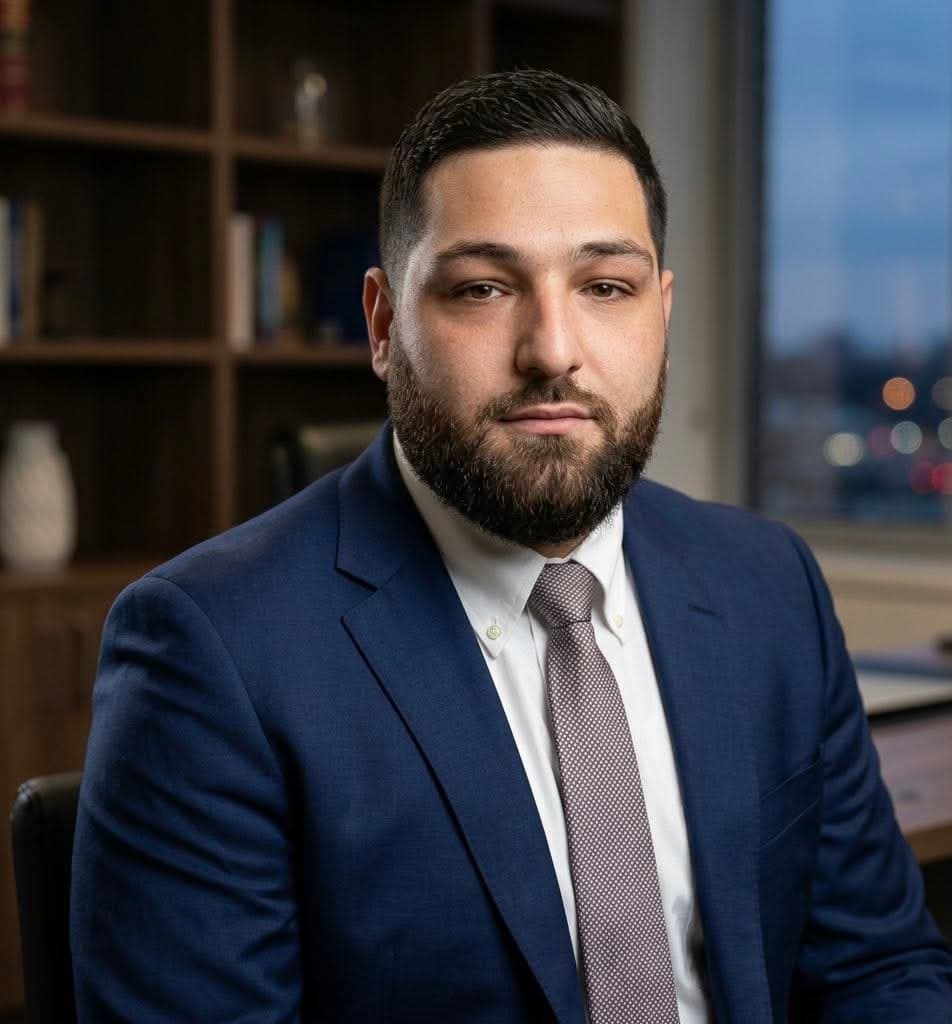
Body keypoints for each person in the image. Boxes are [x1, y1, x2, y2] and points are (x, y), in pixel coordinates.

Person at [71, 69, 952, 1022]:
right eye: (483, 288)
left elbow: (880, 972)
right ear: (382, 323)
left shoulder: (767, 583)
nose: (553, 349)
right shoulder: (213, 650)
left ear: (663, 311)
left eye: (605, 286)